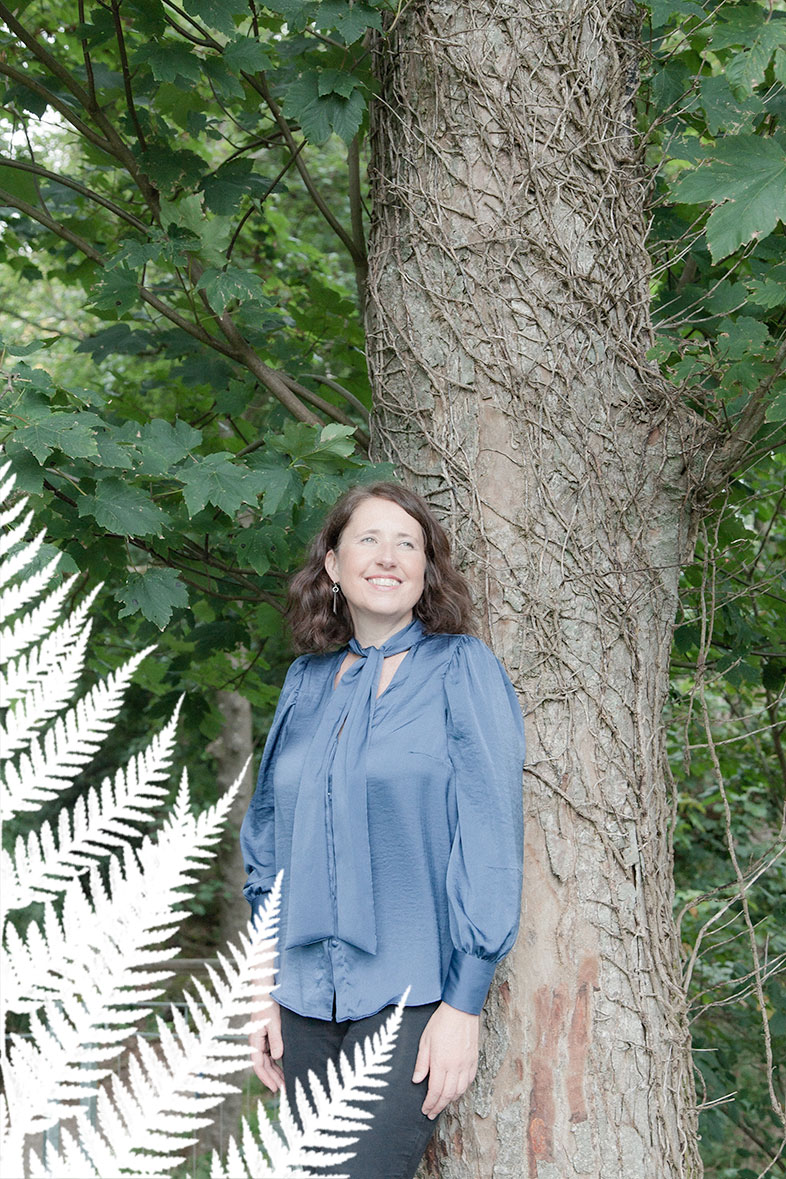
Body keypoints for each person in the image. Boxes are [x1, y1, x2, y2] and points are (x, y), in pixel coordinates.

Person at [239, 482, 525, 1178]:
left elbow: (491, 839)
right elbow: (269, 840)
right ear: (333, 565)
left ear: (427, 568)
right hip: (303, 996)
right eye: (368, 539)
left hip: (412, 996)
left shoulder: (462, 669)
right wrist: (260, 988)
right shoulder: (305, 682)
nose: (388, 556)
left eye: (407, 543)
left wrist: (464, 1005)